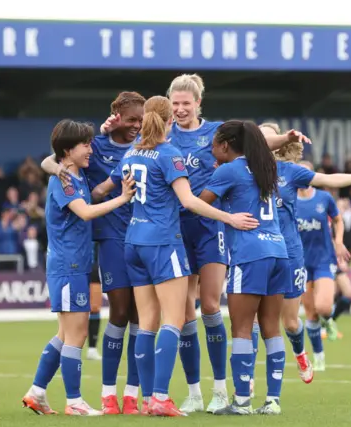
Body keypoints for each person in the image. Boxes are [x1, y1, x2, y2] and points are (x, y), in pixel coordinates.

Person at [93, 96, 258, 417]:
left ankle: (138, 401)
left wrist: (123, 196)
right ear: (169, 122)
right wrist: (230, 219)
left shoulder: (130, 153)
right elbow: (189, 202)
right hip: (162, 243)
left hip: (132, 242)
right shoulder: (169, 154)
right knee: (174, 319)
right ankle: (159, 397)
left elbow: (100, 190)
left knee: (146, 324)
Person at [155, 74, 309, 413]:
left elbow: (255, 143)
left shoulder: (218, 133)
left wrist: (286, 137)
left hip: (213, 227)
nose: (180, 109)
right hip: (174, 229)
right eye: (175, 104)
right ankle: (194, 391)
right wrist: (109, 131)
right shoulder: (161, 135)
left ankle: (223, 391)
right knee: (182, 312)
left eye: (186, 103)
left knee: (210, 305)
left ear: (198, 104)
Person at [21, 119, 136, 417]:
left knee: (64, 334)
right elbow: (84, 212)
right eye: (84, 145)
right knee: (77, 333)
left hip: (72, 265)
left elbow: (55, 163)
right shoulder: (65, 180)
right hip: (69, 265)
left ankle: (37, 391)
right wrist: (122, 198)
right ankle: (74, 401)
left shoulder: (74, 174)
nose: (90, 149)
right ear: (67, 151)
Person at [260, 124, 351, 373]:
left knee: (299, 318)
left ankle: (304, 350)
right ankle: (247, 387)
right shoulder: (243, 170)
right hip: (257, 255)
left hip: (298, 257)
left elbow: (330, 182)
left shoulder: (291, 175)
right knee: (260, 321)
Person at [195, 120, 288, 416]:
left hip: (249, 254)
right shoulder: (267, 166)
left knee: (242, 329)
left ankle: (242, 402)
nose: (211, 149)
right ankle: (273, 400)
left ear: (225, 145)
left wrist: (228, 216)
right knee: (272, 328)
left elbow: (198, 204)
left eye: (214, 144)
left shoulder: (229, 169)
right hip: (278, 250)